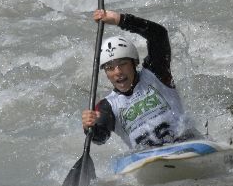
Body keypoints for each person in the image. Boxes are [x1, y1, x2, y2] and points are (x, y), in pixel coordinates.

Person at [81, 9, 197, 149]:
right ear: (106, 73)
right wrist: (90, 127)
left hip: (188, 145)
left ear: (134, 63)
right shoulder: (107, 106)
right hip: (147, 161)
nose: (118, 72)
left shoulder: (156, 74)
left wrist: (120, 19)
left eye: (123, 64)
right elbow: (100, 137)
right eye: (110, 68)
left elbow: (159, 35)